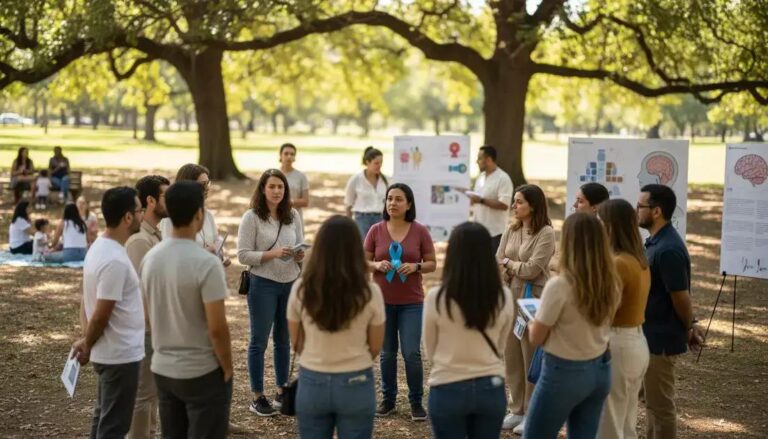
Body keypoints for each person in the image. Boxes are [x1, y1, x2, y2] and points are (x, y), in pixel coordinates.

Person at [141, 181, 233, 438]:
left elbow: (148, 316)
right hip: (201, 371)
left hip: (163, 368)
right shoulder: (207, 263)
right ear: (199, 214)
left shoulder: (151, 258)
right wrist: (227, 368)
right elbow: (217, 328)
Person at [288, 215, 385, 438]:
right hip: (356, 381)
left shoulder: (301, 289)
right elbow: (375, 346)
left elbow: (297, 341)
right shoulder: (371, 292)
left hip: (313, 379)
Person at [524, 213, 620, 439]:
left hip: (563, 372)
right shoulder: (611, 282)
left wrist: (532, 320)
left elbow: (536, 338)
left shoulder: (559, 286)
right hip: (600, 368)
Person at [424, 222, 514, 438]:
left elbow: (430, 351)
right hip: (490, 386)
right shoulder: (504, 297)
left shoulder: (437, 298)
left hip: (447, 386)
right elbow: (501, 345)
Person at [71, 187, 145, 438]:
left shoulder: (100, 247)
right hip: (119, 356)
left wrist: (87, 339)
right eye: (139, 210)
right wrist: (87, 342)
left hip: (112, 353)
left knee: (103, 418)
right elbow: (102, 313)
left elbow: (86, 300)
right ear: (127, 217)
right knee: (114, 426)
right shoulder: (114, 259)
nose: (142, 215)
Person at [364, 183, 436, 421]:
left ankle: (416, 401)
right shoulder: (375, 230)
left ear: (409, 204)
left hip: (411, 303)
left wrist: (415, 267)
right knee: (386, 353)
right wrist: (376, 264)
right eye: (389, 199)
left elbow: (431, 263)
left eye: (398, 199)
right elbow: (362, 260)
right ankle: (388, 400)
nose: (392, 203)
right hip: (382, 301)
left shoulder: (420, 231)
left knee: (412, 352)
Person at [637, 184, 703, 439]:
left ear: (656, 211)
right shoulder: (655, 241)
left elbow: (681, 297)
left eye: (640, 206)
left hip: (661, 340)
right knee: (652, 404)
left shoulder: (668, 249)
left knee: (661, 407)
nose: (636, 211)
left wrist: (688, 326)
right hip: (649, 337)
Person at [237, 169, 304, 416]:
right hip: (263, 283)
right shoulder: (251, 217)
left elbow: (300, 245)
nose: (277, 191)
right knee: (259, 340)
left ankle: (281, 391)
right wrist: (274, 254)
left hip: (290, 282)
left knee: (284, 340)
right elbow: (243, 255)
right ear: (263, 189)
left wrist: (299, 256)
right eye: (272, 186)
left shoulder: (293, 215)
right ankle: (257, 396)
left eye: (281, 187)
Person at [495, 184, 556, 434]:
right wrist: (509, 266)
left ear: (533, 205)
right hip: (510, 295)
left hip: (533, 298)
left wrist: (510, 264)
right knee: (511, 355)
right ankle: (516, 408)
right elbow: (497, 259)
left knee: (530, 356)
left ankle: (533, 411)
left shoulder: (546, 233)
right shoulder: (511, 229)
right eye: (514, 201)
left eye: (519, 202)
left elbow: (533, 269)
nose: (514, 206)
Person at [596, 199, 651, 439]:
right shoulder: (638, 260)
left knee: (609, 425)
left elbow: (604, 311)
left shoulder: (619, 263)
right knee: (626, 424)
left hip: (618, 343)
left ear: (610, 226)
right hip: (635, 342)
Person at [125, 175, 169, 439]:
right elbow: (140, 293)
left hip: (156, 329)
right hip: (144, 331)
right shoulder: (141, 240)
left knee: (152, 395)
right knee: (142, 397)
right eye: (166, 196)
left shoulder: (156, 235)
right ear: (150, 201)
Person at [467, 145, 514, 253]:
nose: (476, 161)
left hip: (495, 233)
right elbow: (477, 199)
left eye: (479, 158)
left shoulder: (503, 178)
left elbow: (504, 205)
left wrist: (481, 200)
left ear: (488, 160)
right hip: (478, 230)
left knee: (492, 267)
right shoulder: (481, 177)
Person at [345, 146, 388, 239]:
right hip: (362, 219)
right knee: (364, 248)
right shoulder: (355, 180)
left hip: (380, 218)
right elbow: (348, 204)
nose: (379, 166)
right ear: (367, 162)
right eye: (376, 163)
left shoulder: (386, 180)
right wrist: (348, 225)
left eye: (381, 163)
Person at [279, 143, 310, 224]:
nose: (289, 156)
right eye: (286, 153)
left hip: (295, 219)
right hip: (277, 217)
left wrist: (287, 202)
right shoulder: (274, 175)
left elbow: (305, 201)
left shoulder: (301, 176)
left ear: (294, 157)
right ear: (280, 156)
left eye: (292, 154)